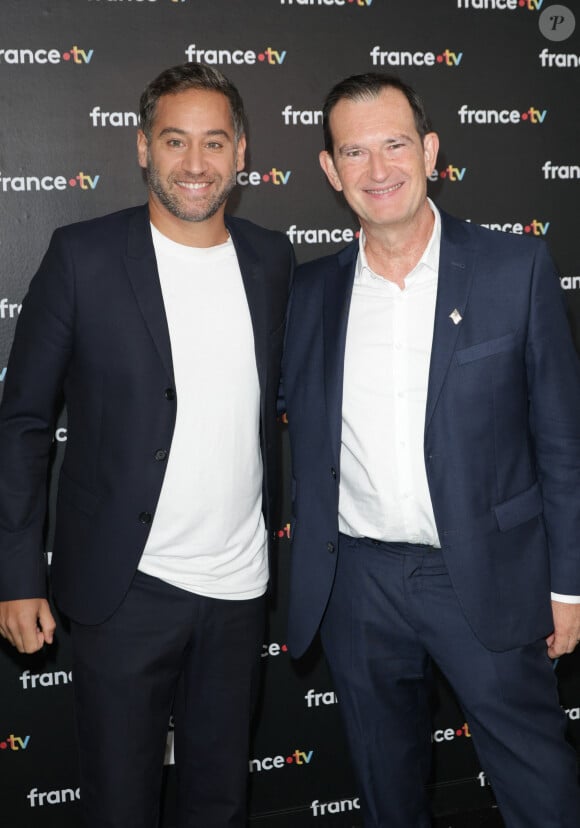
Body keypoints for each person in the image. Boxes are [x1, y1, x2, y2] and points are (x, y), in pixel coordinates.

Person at [281, 72, 580, 827]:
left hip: (485, 573)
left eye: (394, 145)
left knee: (539, 789)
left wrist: (569, 586)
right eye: (354, 152)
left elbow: (562, 444)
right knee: (388, 792)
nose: (377, 170)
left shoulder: (516, 270)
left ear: (431, 151)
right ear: (329, 170)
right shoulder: (308, 293)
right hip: (357, 582)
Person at [0, 62, 293, 828]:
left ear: (241, 153)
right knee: (120, 806)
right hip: (125, 591)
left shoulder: (272, 261)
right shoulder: (82, 256)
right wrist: (16, 575)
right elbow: (24, 421)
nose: (195, 164)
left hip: (239, 593)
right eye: (174, 141)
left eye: (214, 142)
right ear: (141, 147)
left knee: (219, 802)